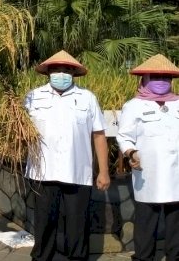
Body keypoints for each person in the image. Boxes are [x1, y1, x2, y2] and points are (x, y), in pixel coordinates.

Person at [24, 50, 110, 261]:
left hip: (78, 170)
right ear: (48, 73)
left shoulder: (87, 98)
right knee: (44, 221)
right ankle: (42, 258)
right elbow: (20, 131)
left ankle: (78, 258)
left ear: (73, 73)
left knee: (77, 223)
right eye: (56, 69)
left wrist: (104, 171)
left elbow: (99, 135)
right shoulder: (33, 97)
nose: (61, 73)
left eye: (66, 70)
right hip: (43, 170)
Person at [116, 54, 179, 261]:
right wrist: (131, 153)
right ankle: (143, 258)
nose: (161, 81)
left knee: (176, 222)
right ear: (144, 78)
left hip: (176, 173)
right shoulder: (133, 106)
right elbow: (124, 136)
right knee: (146, 220)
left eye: (166, 77)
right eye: (156, 76)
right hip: (148, 173)